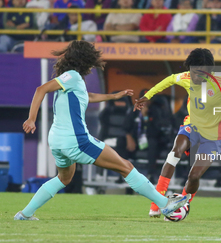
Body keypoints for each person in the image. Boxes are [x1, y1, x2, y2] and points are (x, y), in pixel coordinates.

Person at [14, 41, 190, 221]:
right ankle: (165, 205)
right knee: (125, 166)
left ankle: (25, 214)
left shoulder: (72, 80)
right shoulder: (73, 76)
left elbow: (88, 96)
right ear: (85, 60)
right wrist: (32, 118)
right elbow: (41, 89)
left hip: (57, 140)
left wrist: (113, 96)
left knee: (63, 179)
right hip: (76, 140)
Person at [134, 48, 221, 219]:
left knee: (194, 175)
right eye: (194, 72)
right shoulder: (185, 77)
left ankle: (183, 204)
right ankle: (156, 203)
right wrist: (147, 96)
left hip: (215, 134)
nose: (197, 77)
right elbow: (168, 80)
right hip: (193, 125)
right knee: (175, 152)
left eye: (202, 73)